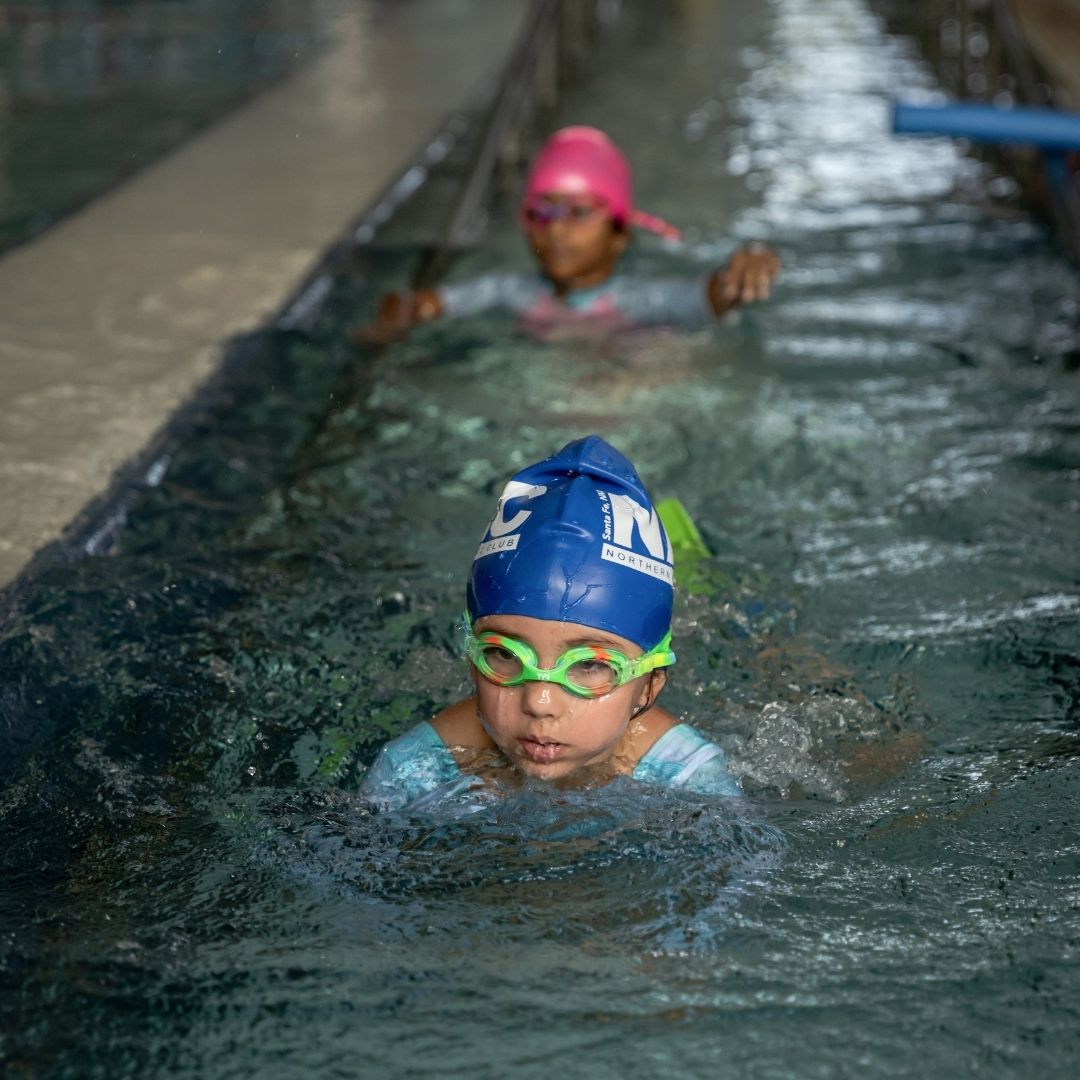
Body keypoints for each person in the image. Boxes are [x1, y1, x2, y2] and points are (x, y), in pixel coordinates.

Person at [360, 435, 742, 813]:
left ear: (649, 686)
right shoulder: (410, 771)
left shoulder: (689, 778)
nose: (539, 703)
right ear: (471, 660)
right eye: (504, 654)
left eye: (589, 664)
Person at [361, 126, 780, 342]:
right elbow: (424, 302)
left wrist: (744, 270)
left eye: (579, 212)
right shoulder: (512, 291)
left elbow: (710, 296)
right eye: (541, 213)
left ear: (619, 234)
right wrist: (397, 314)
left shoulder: (641, 298)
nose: (557, 228)